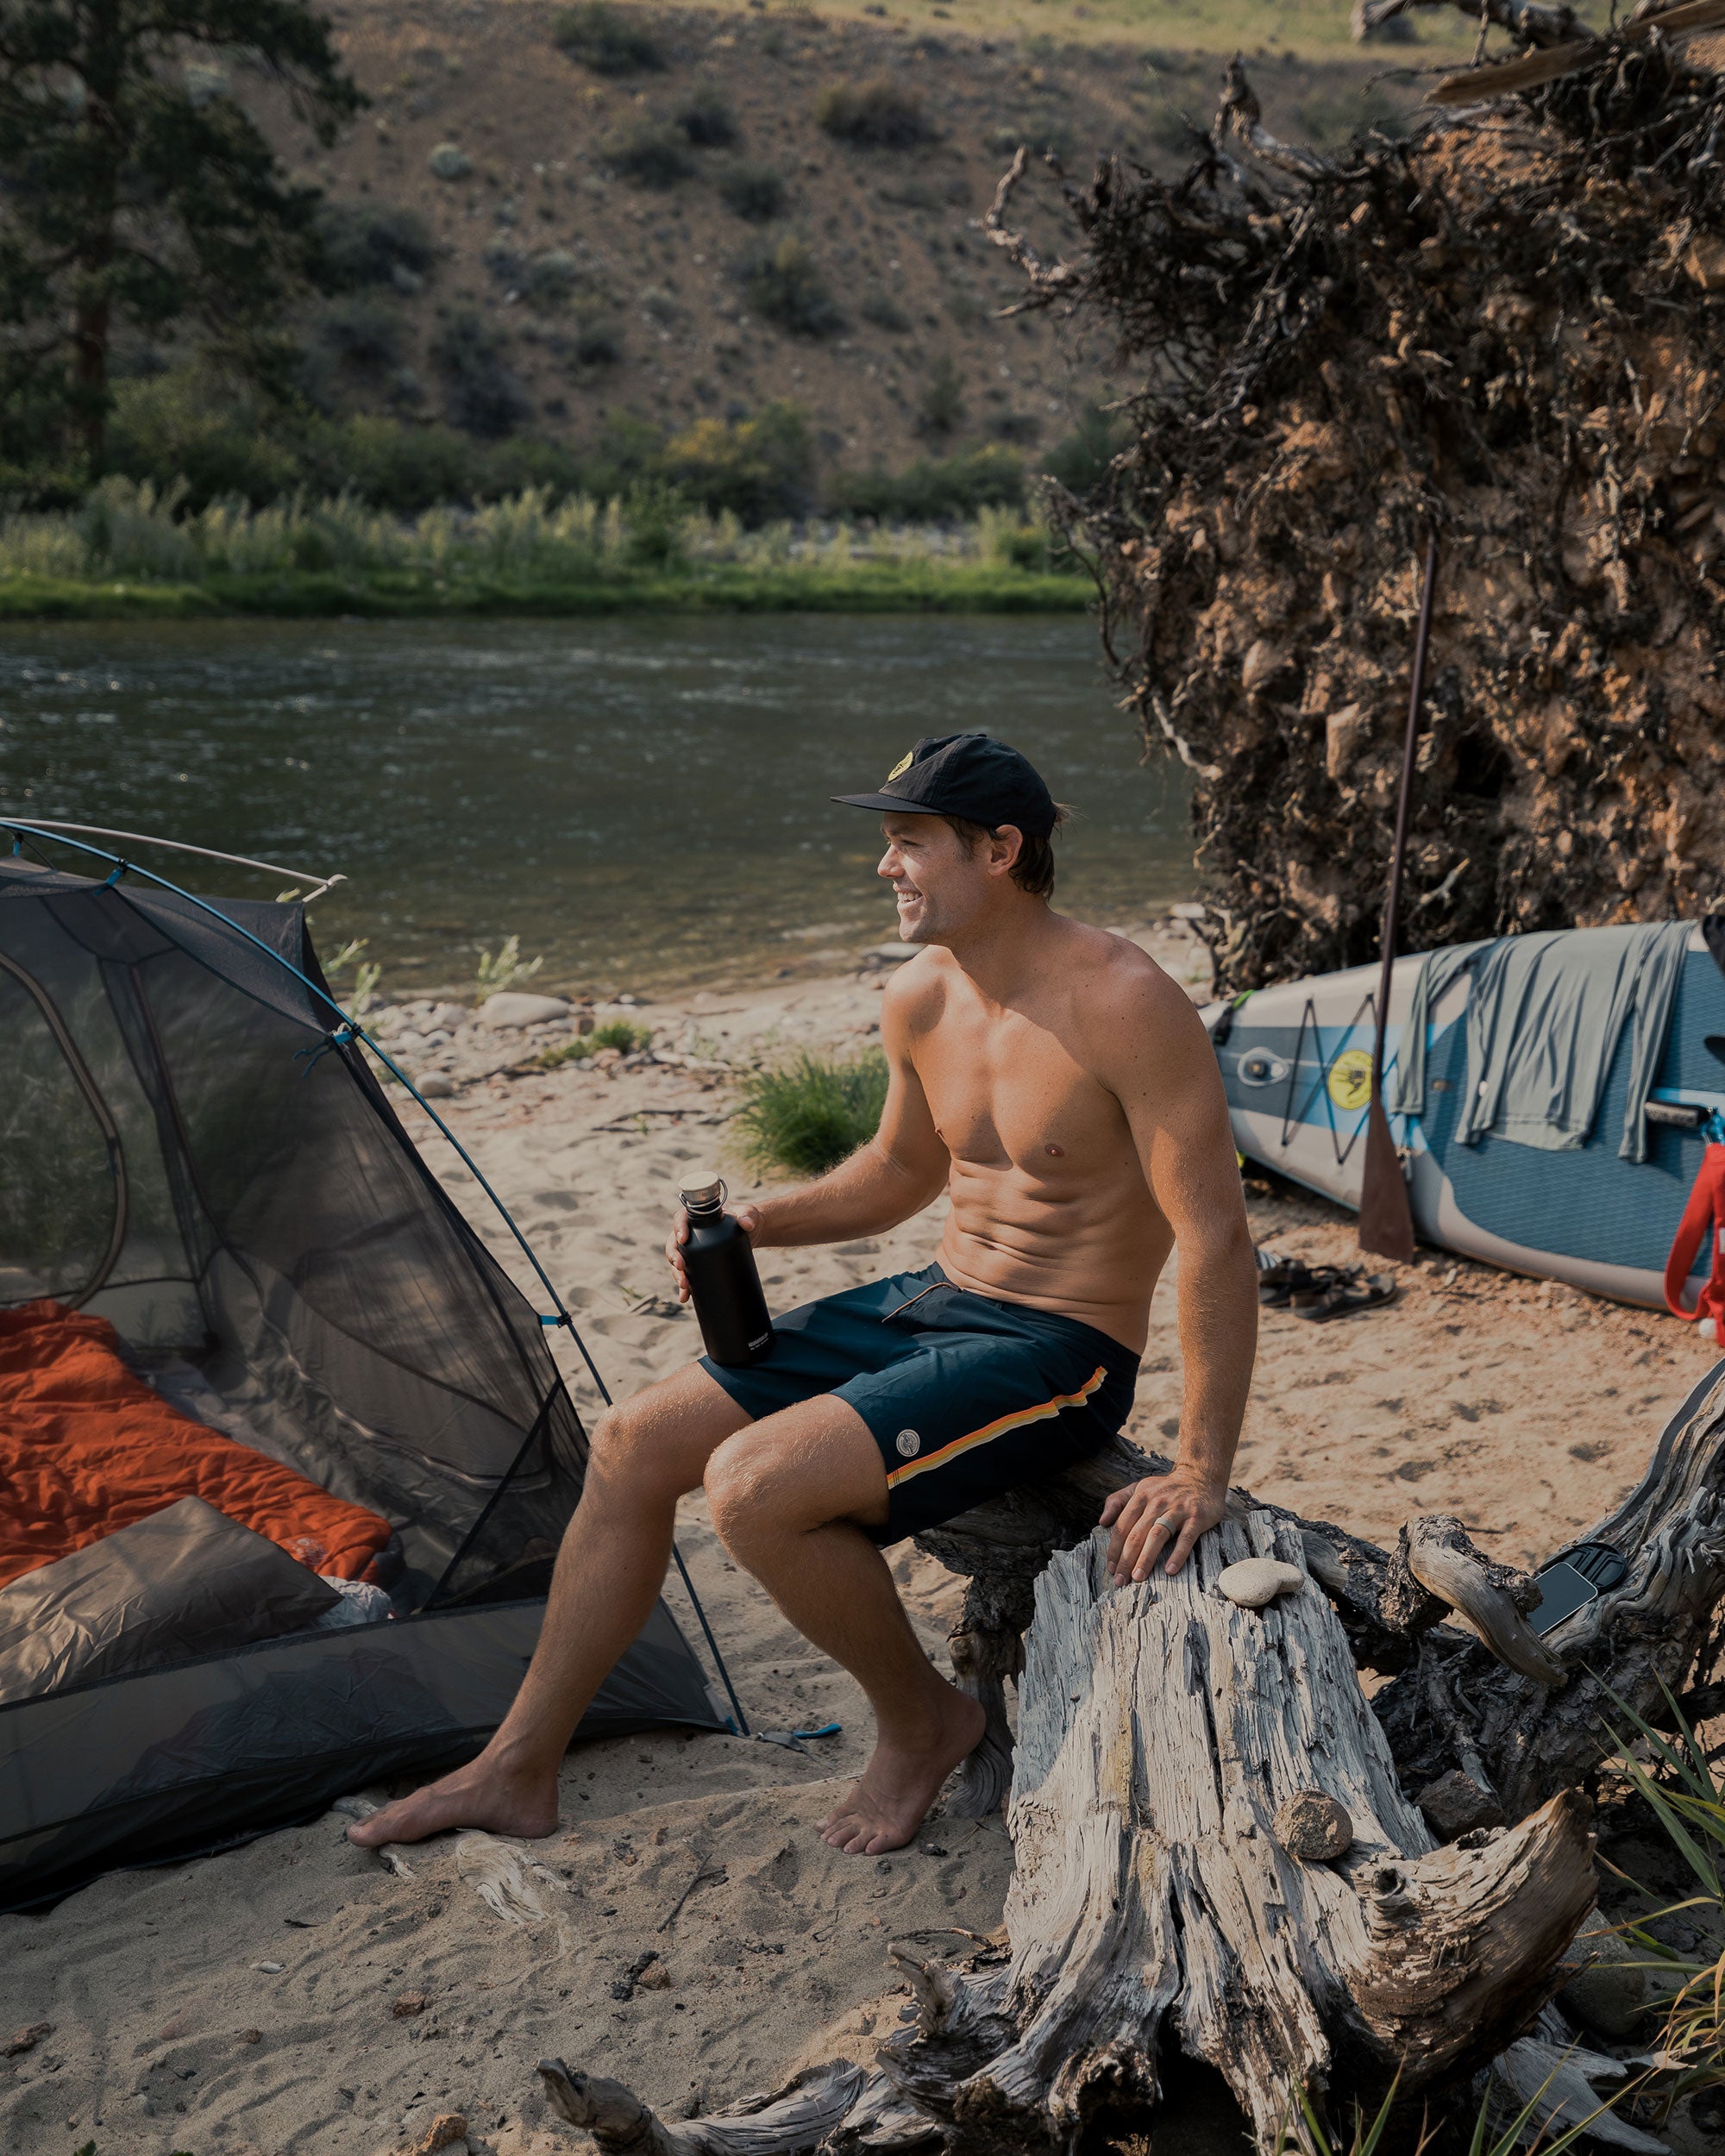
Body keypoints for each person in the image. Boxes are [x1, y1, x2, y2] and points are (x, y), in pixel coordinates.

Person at [351, 732, 1258, 1861]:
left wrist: (1202, 1468)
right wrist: (757, 1225)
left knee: (752, 1489)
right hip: (939, 1298)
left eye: (909, 843)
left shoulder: (1125, 1000)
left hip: (1058, 1347)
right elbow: (903, 1174)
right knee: (633, 1440)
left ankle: (924, 1721)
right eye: (885, 844)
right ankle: (517, 1766)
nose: (885, 867)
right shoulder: (924, 993)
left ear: (1001, 850)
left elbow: (1217, 1238)